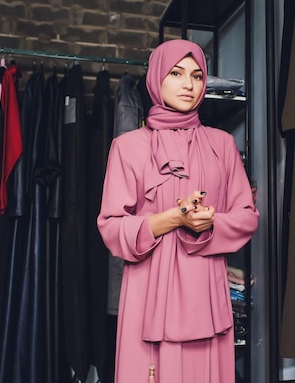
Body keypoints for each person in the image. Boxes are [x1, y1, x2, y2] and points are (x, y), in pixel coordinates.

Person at [97, 39, 259, 383]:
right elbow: (111, 226)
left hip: (206, 292)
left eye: (197, 76)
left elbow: (246, 216)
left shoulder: (222, 144)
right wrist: (173, 219)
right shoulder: (127, 147)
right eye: (176, 73)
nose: (188, 84)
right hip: (148, 292)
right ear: (157, 78)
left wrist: (210, 221)